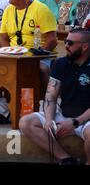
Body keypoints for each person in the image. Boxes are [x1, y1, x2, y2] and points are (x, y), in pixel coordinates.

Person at [19, 28, 90, 165]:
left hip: (86, 119)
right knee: (26, 122)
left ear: (85, 46)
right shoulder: (60, 64)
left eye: (70, 43)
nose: (66, 46)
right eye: (65, 42)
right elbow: (51, 97)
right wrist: (49, 120)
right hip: (64, 114)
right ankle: (65, 159)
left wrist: (75, 122)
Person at [0, 0, 58, 96]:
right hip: (14, 56)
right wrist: (8, 53)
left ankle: (41, 102)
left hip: (39, 57)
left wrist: (35, 57)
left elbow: (52, 40)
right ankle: (1, 105)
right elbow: (3, 38)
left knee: (40, 68)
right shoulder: (8, 10)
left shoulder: (41, 10)